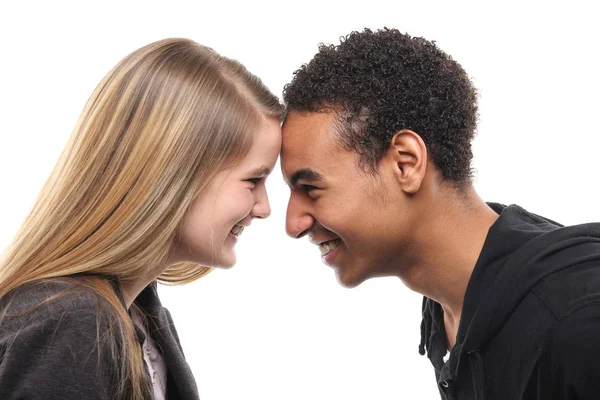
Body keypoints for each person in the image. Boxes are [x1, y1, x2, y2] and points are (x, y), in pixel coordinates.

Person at [280, 27, 600, 399]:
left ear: (406, 164)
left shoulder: (579, 323)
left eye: (311, 189)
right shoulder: (451, 314)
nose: (293, 224)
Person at [0, 38, 282, 399]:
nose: (264, 207)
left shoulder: (142, 319)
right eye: (253, 180)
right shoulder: (71, 323)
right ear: (175, 174)